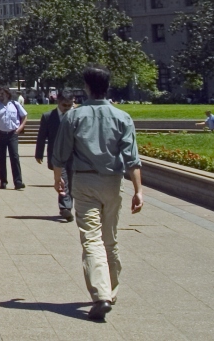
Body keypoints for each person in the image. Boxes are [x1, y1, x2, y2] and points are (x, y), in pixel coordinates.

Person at [52, 66, 143, 322]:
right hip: (113, 182)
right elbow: (132, 159)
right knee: (110, 239)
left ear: (88, 88)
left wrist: (57, 178)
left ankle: (101, 294)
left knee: (91, 239)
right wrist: (139, 190)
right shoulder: (122, 117)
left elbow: (60, 153)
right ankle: (111, 291)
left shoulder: (74, 117)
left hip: (85, 180)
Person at [35, 92, 76, 222]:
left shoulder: (77, 116)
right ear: (58, 102)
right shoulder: (48, 117)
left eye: (70, 105)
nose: (67, 108)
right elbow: (42, 136)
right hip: (57, 156)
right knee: (63, 180)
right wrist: (39, 153)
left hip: (74, 155)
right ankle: (65, 207)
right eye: (64, 105)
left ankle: (68, 205)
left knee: (72, 181)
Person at [0, 87, 28, 190]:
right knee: (1, 159)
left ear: (7, 94)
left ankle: (18, 182)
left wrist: (19, 129)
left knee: (15, 157)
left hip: (12, 134)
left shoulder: (15, 104)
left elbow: (24, 116)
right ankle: (3, 181)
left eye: (2, 93)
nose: (0, 95)